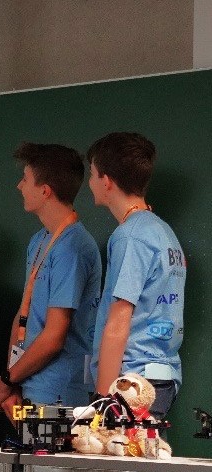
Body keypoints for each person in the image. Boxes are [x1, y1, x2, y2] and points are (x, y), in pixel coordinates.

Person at [0, 143, 102, 411]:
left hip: (59, 391)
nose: (19, 186)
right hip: (27, 384)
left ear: (45, 191)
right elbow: (23, 315)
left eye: (25, 179)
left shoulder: (73, 247)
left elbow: (54, 336)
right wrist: (13, 380)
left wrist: (7, 380)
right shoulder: (39, 241)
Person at [87, 132, 185, 420]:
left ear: (106, 181)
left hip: (132, 381)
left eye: (92, 174)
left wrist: (102, 402)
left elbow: (118, 322)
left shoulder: (129, 236)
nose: (89, 182)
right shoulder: (163, 231)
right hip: (162, 377)